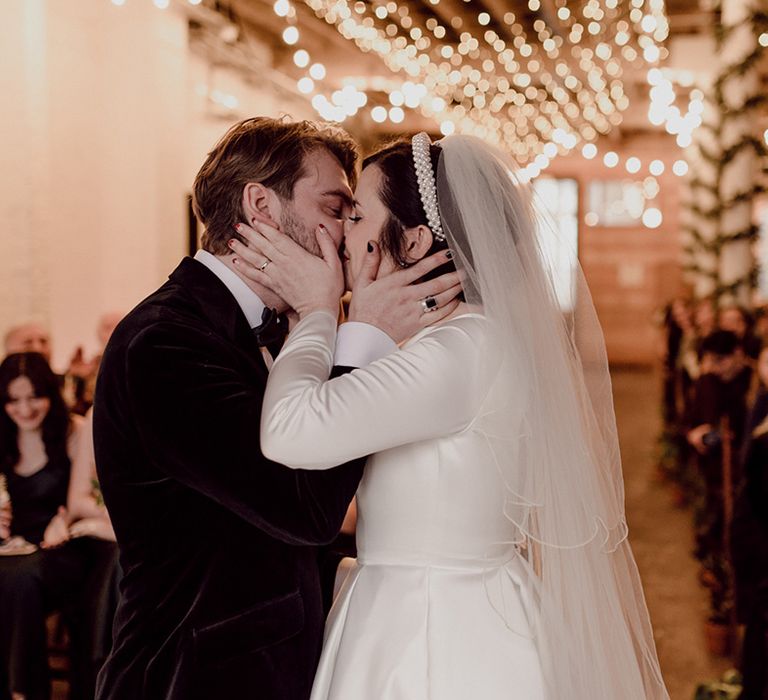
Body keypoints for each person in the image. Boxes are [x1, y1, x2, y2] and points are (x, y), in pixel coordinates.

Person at [230, 133, 668, 699]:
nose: (342, 236)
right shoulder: (457, 342)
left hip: (438, 631)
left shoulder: (457, 354)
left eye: (358, 216)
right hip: (427, 605)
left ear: (411, 241)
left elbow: (292, 431)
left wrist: (319, 312)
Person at [93, 117, 459, 700]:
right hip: (194, 676)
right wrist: (361, 338)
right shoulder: (164, 343)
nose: (347, 231)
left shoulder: (276, 327)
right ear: (260, 204)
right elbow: (303, 508)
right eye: (336, 206)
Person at [0, 352, 81, 700]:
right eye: (14, 400)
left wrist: (64, 520)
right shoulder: (1, 436)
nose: (25, 409)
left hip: (59, 544)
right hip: (11, 545)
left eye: (34, 397)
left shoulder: (73, 431)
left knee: (21, 577)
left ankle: (24, 690)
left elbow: (82, 499)